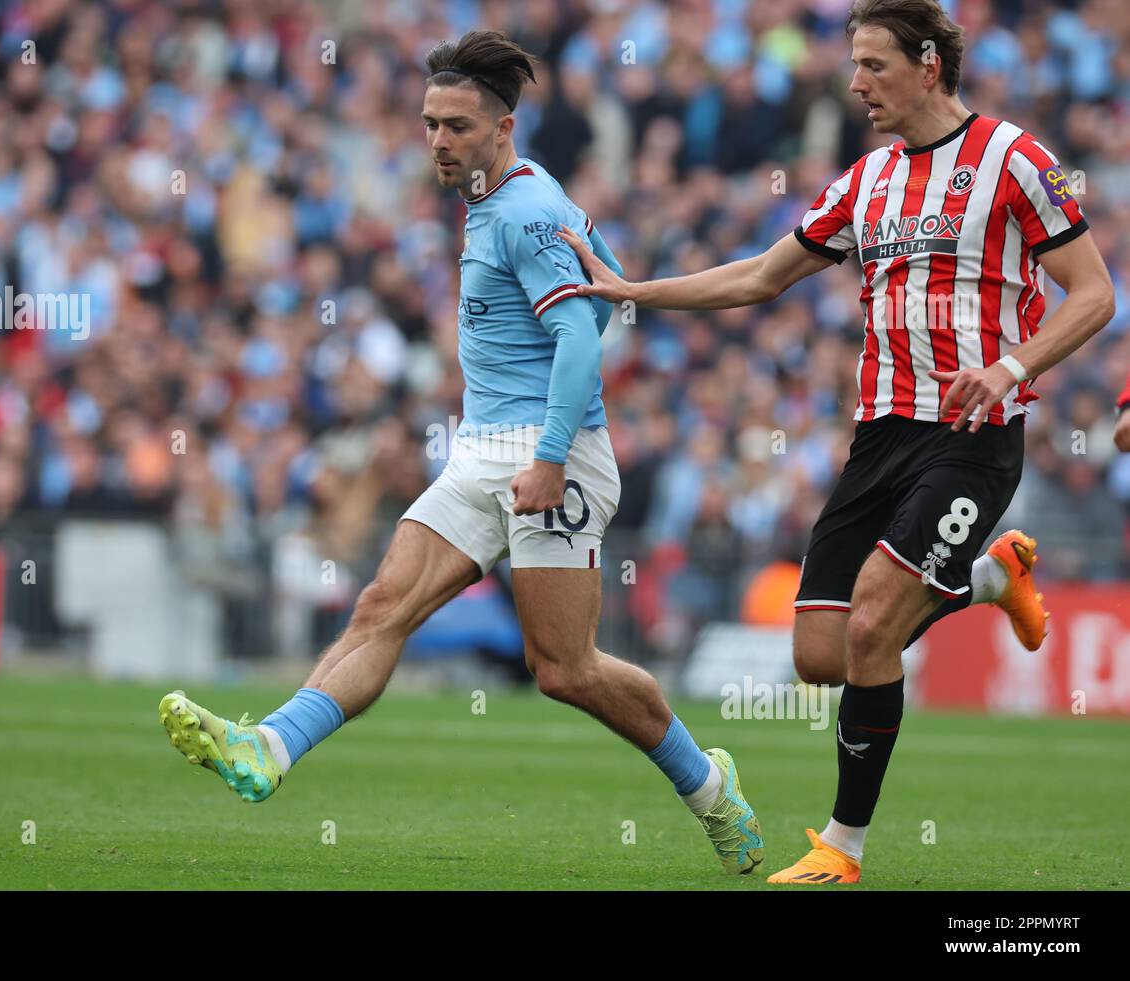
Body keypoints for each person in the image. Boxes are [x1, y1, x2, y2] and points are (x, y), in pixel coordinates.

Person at [158, 30, 765, 875]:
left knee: (564, 668)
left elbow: (582, 342)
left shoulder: (522, 209)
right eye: (429, 124)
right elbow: (604, 287)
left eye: (456, 126)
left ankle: (709, 785)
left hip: (557, 453)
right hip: (483, 449)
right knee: (381, 606)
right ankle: (269, 745)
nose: (438, 141)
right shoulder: (502, 203)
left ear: (503, 127)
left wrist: (551, 455)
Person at [557, 0, 1115, 883]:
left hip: (973, 434)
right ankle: (992, 576)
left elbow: (1093, 293)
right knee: (822, 657)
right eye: (853, 66)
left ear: (929, 65)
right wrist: (634, 290)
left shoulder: (1016, 160)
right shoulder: (867, 181)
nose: (856, 84)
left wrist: (1010, 368)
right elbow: (761, 275)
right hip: (880, 438)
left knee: (873, 628)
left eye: (873, 65)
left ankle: (841, 848)